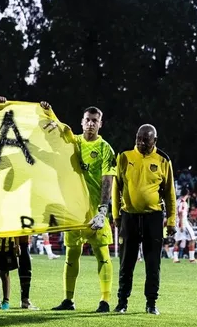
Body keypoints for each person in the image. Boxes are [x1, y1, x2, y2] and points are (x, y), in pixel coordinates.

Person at [51, 106, 117, 313]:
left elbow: (108, 179)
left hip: (96, 211)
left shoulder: (106, 148)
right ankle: (68, 300)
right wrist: (47, 111)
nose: (90, 124)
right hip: (74, 211)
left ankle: (105, 301)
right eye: (87, 120)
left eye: (94, 120)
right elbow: (54, 133)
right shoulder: (74, 142)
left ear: (100, 124)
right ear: (82, 122)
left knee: (102, 254)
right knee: (71, 254)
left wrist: (103, 210)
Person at [113, 124, 176, 315]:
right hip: (129, 217)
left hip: (153, 218)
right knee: (126, 263)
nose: (141, 142)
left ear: (154, 141)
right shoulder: (124, 157)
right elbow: (117, 187)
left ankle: (151, 303)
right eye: (138, 138)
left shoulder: (163, 160)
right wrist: (115, 214)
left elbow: (169, 193)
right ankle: (122, 302)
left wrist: (171, 220)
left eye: (145, 140)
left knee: (152, 263)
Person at [173, 194, 197, 264]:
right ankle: (192, 259)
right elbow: (181, 213)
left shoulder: (177, 201)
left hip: (178, 222)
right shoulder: (183, 202)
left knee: (177, 241)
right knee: (193, 239)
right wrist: (182, 224)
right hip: (183, 223)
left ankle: (175, 259)